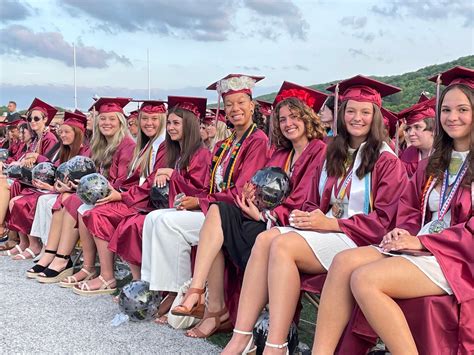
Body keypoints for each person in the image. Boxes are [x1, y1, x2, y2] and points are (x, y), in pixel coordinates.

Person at [223, 75, 408, 354]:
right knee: (265, 239)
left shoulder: (386, 160)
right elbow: (311, 200)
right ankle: (241, 336)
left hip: (360, 239)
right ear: (342, 114)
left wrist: (330, 222)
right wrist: (307, 218)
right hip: (325, 232)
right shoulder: (334, 152)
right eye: (350, 110)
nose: (357, 117)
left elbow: (385, 220)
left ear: (376, 116)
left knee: (283, 244)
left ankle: (276, 345)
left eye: (365, 112)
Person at [312, 66, 473, 355]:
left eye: (462, 109)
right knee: (344, 262)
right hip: (423, 247)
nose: (452, 117)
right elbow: (410, 207)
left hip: (458, 257)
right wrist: (404, 233)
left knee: (365, 279)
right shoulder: (434, 163)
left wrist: (423, 241)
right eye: (446, 110)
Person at [172, 81, 328, 339]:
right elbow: (257, 183)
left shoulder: (319, 151)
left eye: (295, 117)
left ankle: (212, 308)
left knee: (218, 227)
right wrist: (250, 196)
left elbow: (306, 199)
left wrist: (266, 215)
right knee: (217, 211)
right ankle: (199, 293)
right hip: (263, 220)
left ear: (308, 118)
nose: (288, 123)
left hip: (288, 227)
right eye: (283, 118)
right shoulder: (281, 153)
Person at [140, 74, 270, 327]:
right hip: (214, 209)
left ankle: (184, 293)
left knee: (168, 223)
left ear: (252, 106)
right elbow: (212, 185)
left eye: (241, 103)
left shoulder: (258, 141)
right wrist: (198, 199)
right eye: (229, 104)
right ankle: (167, 290)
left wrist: (199, 202)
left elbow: (242, 191)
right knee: (156, 218)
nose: (235, 109)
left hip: (236, 214)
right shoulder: (225, 143)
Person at [69, 100, 170, 293]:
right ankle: (92, 269)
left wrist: (121, 196)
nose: (149, 123)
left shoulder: (160, 146)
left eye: (154, 119)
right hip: (137, 198)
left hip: (147, 203)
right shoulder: (146, 144)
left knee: (96, 213)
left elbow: (147, 182)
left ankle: (107, 277)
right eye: (145, 118)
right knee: (87, 209)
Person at [34, 97, 136, 283]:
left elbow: (121, 182)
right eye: (103, 119)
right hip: (104, 194)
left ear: (121, 122)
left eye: (112, 119)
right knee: (69, 198)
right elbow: (95, 178)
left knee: (73, 201)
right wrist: (75, 186)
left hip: (120, 197)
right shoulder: (101, 146)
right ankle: (54, 254)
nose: (106, 123)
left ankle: (65, 259)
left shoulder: (127, 146)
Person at [7, 111, 89, 263]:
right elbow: (55, 168)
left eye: (66, 132)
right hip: (54, 188)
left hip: (66, 192)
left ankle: (43, 247)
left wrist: (52, 187)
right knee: (32, 198)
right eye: (61, 132)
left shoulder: (83, 152)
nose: (62, 135)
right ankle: (41, 246)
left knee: (41, 200)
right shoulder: (65, 149)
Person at [0, 98, 59, 257]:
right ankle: (21, 240)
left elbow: (49, 166)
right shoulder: (35, 139)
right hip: (29, 179)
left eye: (36, 118)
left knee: (10, 189)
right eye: (30, 119)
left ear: (45, 119)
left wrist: (37, 157)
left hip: (40, 182)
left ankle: (25, 241)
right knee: (8, 185)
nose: (32, 122)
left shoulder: (50, 138)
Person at [398, 97, 436, 177]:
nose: (411, 133)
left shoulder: (446, 154)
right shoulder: (407, 155)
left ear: (433, 129)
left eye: (417, 127)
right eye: (409, 128)